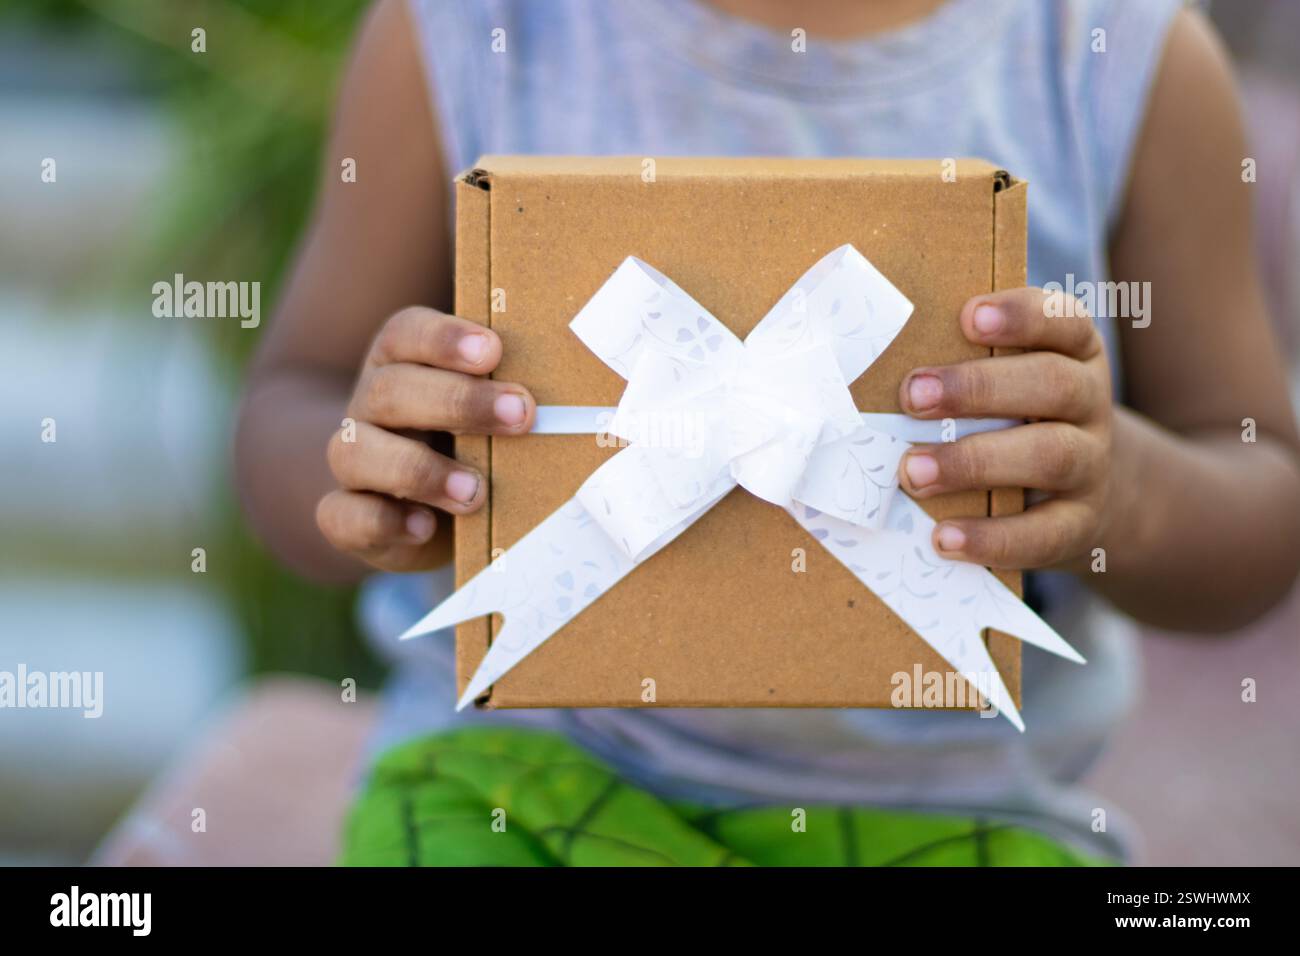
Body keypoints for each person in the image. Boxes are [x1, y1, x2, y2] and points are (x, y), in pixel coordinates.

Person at [235, 0, 1300, 865]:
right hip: (520, 784)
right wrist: (377, 477)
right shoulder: (466, 31)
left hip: (967, 815)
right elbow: (293, 400)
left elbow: (1261, 494)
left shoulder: (1117, 58)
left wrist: (1120, 497)